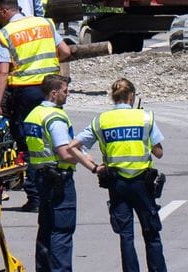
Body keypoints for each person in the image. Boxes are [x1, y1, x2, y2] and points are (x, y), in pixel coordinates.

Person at [74, 78, 168, 272]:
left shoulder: (101, 120)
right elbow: (159, 152)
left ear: (113, 97)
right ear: (131, 96)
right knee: (151, 233)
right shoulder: (145, 118)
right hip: (143, 183)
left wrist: (93, 167)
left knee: (126, 235)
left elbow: (73, 145)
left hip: (117, 183)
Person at [0, 0, 71, 211]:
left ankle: (36, 198)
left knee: (29, 144)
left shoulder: (7, 33)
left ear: (4, 11)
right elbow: (65, 51)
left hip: (25, 93)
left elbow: (2, 71)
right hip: (50, 89)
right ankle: (58, 188)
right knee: (55, 137)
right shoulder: (44, 23)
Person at [23, 74, 100, 272]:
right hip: (59, 179)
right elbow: (65, 153)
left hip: (41, 175)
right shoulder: (55, 117)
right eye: (65, 91)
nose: (68, 95)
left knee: (46, 229)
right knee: (62, 232)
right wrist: (87, 162)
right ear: (54, 93)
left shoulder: (34, 114)